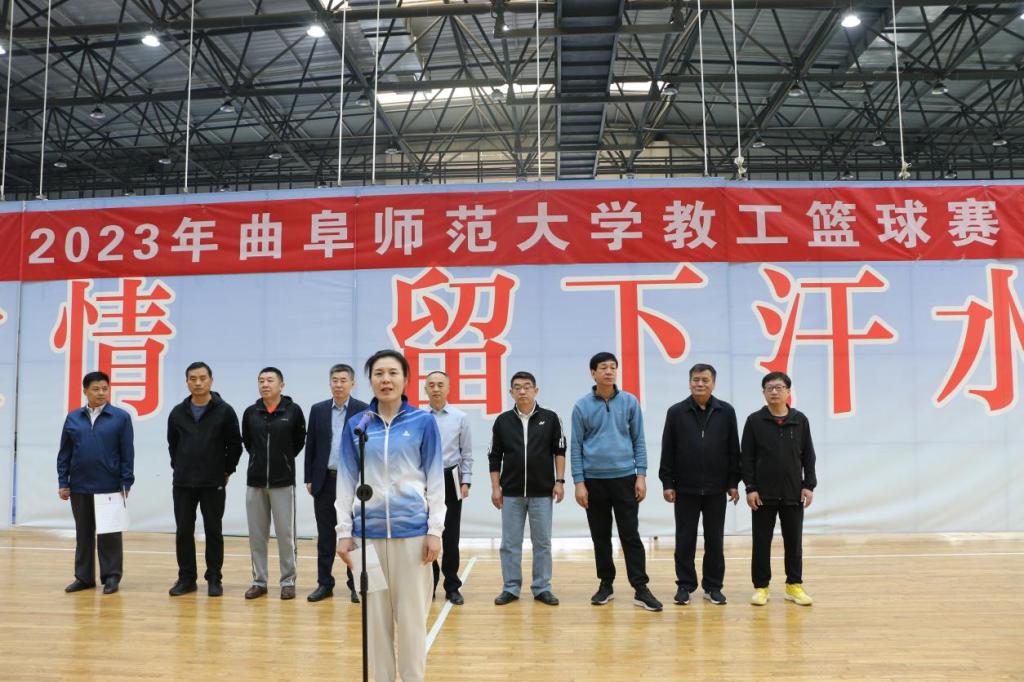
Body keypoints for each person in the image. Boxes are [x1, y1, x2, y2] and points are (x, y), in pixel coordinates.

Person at [336, 350, 444, 682]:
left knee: (412, 621)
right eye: (379, 373)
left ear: (406, 379)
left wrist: (435, 530)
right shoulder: (357, 425)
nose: (386, 380)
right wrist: (344, 531)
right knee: (375, 621)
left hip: (412, 536)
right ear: (370, 380)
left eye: (393, 373)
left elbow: (435, 480)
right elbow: (345, 481)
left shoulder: (423, 422)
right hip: (367, 538)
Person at [571, 352, 662, 611]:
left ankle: (640, 588)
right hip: (594, 481)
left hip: (625, 478)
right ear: (593, 373)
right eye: (603, 367)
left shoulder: (630, 402)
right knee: (600, 536)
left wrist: (641, 475)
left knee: (630, 535)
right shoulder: (581, 406)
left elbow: (639, 440)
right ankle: (606, 584)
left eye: (613, 367)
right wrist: (579, 482)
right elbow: (575, 447)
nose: (609, 371)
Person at [659, 363, 740, 606]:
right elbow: (668, 450)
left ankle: (713, 587)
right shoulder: (676, 412)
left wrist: (733, 482)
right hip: (685, 488)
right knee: (685, 539)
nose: (700, 384)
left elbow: (733, 450)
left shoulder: (726, 411)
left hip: (716, 488)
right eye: (696, 379)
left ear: (713, 383)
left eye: (705, 380)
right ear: (689, 382)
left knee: (715, 540)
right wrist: (667, 483)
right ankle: (685, 585)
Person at [489, 371, 566, 607]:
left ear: (535, 390)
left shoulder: (550, 418)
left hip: (542, 492)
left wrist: (560, 481)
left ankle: (542, 587)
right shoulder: (502, 421)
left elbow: (559, 451)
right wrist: (495, 488)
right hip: (511, 493)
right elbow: (494, 457)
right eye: (517, 387)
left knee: (542, 543)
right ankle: (511, 588)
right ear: (511, 392)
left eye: (527, 386)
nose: (522, 391)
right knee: (509, 544)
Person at [167, 361, 243, 598]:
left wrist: (226, 471)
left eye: (202, 378)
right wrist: (180, 467)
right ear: (186, 382)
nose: (198, 383)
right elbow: (173, 445)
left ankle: (214, 578)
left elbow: (235, 445)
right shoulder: (177, 412)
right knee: (183, 531)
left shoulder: (225, 411)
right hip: (183, 483)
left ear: (211, 380)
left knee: (213, 530)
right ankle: (186, 578)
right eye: (193, 379)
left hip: (213, 482)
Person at [741, 371, 817, 607]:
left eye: (779, 387)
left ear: (788, 392)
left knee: (794, 542)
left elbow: (808, 455)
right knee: (761, 542)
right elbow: (746, 458)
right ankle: (761, 587)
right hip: (763, 494)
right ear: (763, 393)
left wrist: (809, 485)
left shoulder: (800, 420)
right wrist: (750, 488)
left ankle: (794, 585)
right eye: (769, 388)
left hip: (793, 492)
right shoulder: (754, 421)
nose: (774, 392)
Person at [57, 371, 135, 595]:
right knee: (83, 534)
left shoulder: (120, 417)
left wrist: (126, 481)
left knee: (109, 534)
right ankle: (83, 578)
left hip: (109, 486)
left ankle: (111, 577)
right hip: (79, 485)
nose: (101, 393)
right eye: (96, 389)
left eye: (104, 389)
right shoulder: (73, 418)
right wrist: (63, 482)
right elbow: (64, 453)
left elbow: (127, 452)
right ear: (85, 391)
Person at [304, 363, 368, 603]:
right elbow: (311, 446)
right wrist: (309, 478)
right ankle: (325, 584)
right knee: (326, 536)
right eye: (335, 380)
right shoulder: (318, 410)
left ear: (352, 383)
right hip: (325, 480)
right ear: (330, 383)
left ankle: (356, 584)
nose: (339, 385)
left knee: (355, 535)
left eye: (343, 380)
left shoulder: (364, 410)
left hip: (353, 483)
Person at [241, 366, 306, 600]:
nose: (265, 384)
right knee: (257, 536)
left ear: (281, 385)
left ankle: (288, 581)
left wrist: (284, 460)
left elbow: (298, 441)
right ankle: (259, 581)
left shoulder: (293, 411)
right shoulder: (251, 412)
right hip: (255, 483)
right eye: (261, 381)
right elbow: (248, 442)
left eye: (270, 380)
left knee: (286, 536)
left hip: (283, 483)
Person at [424, 370, 473, 605]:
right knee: (427, 533)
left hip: (450, 479)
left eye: (440, 384)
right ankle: (429, 584)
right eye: (431, 385)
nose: (436, 389)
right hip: (424, 481)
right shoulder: (417, 417)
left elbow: (467, 453)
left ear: (448, 388)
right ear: (425, 389)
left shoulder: (460, 417)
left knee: (451, 537)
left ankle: (452, 586)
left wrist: (466, 481)